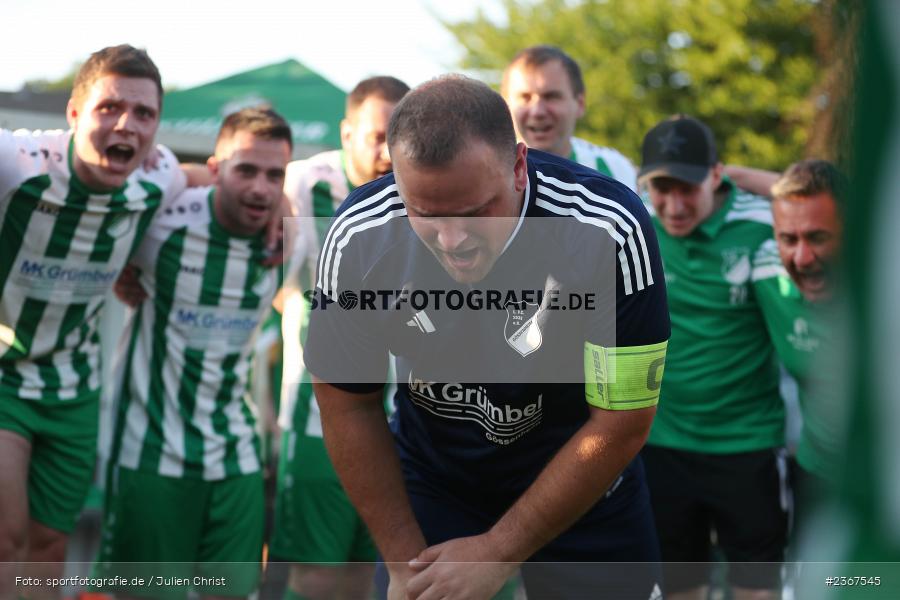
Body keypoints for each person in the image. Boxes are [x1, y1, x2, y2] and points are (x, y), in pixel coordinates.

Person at [304, 75, 670, 600]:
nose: (452, 242)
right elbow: (347, 408)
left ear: (520, 167)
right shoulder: (358, 236)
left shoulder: (610, 227)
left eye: (475, 211)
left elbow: (621, 421)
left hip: (584, 480)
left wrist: (499, 549)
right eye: (425, 215)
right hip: (436, 481)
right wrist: (405, 561)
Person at [0, 44, 188, 596]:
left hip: (74, 389)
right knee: (7, 542)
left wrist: (278, 219)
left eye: (144, 114)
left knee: (49, 549)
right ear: (75, 114)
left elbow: (203, 179)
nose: (126, 123)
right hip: (4, 375)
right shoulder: (16, 163)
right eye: (109, 108)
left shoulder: (159, 176)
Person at [96, 108, 292, 599]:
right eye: (245, 169)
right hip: (151, 452)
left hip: (237, 456)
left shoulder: (293, 233)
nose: (261, 189)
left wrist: (285, 205)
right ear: (215, 168)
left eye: (275, 175)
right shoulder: (161, 219)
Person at [637, 115, 790, 600]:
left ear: (717, 175)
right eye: (661, 188)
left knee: (756, 588)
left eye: (688, 187)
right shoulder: (637, 222)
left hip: (746, 443)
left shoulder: (764, 223)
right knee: (681, 586)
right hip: (661, 442)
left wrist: (747, 176)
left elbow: (836, 207)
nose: (674, 205)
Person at [271, 75, 409, 600]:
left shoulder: (423, 185)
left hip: (404, 415)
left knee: (375, 573)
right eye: (377, 135)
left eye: (401, 138)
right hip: (317, 414)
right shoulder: (305, 184)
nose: (389, 151)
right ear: (347, 132)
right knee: (320, 577)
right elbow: (274, 282)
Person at [756, 159, 844, 528]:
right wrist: (726, 174)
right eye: (788, 239)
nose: (802, 258)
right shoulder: (764, 274)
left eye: (819, 237)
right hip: (816, 477)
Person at [501, 45, 638, 190]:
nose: (537, 111)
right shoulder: (489, 172)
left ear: (580, 104)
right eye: (525, 98)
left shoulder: (613, 169)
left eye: (551, 96)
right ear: (505, 105)